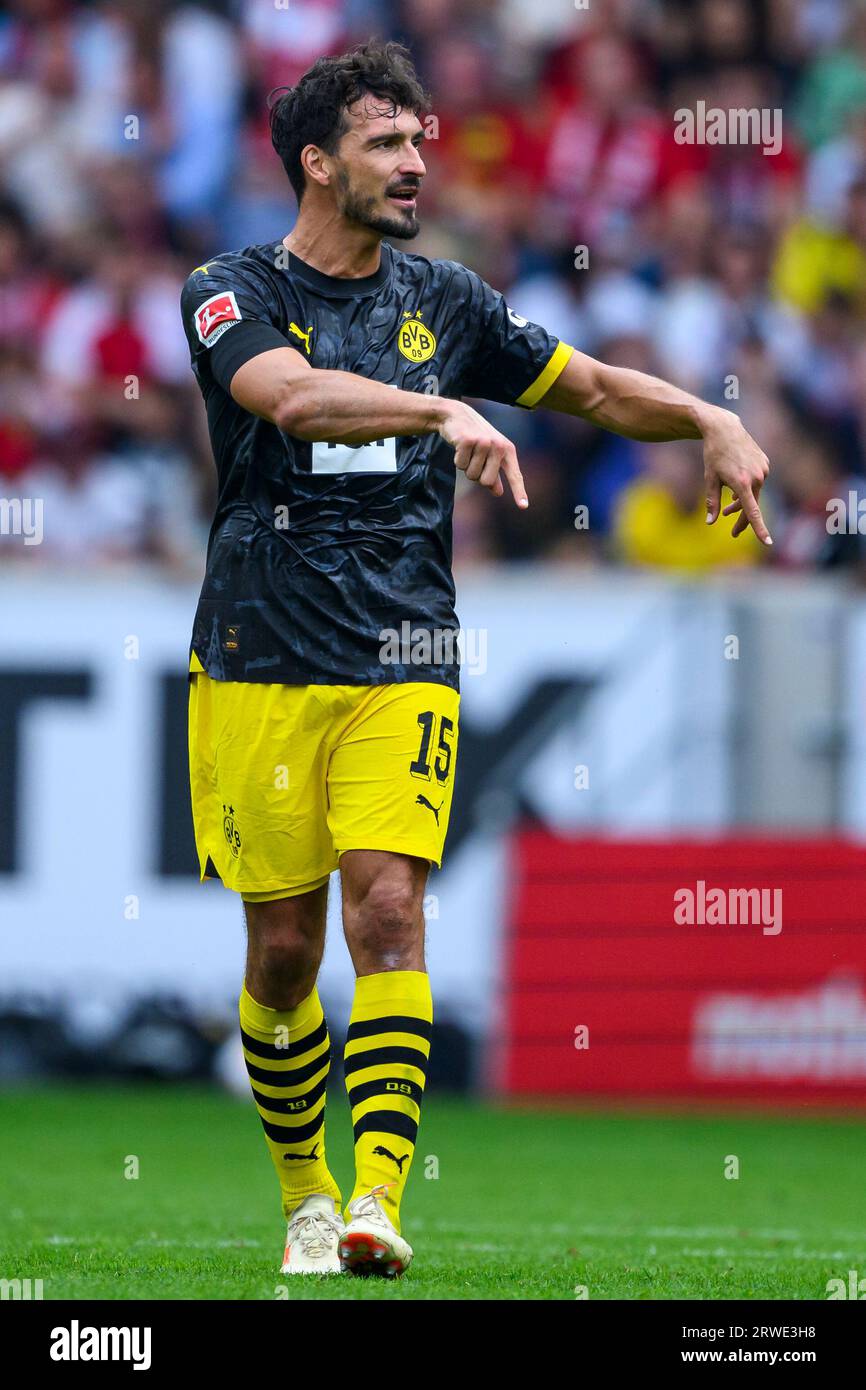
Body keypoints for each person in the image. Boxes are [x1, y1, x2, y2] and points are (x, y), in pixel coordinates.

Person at [180, 40, 771, 1279]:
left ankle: (376, 1203)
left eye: (418, 140)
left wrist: (709, 416)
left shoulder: (444, 301)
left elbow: (596, 392)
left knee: (387, 907)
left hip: (403, 652)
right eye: (386, 144)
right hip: (256, 653)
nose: (413, 163)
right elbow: (287, 398)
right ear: (315, 161)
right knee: (282, 952)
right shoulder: (226, 288)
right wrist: (439, 408)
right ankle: (303, 1194)